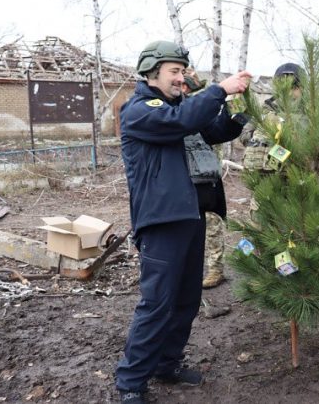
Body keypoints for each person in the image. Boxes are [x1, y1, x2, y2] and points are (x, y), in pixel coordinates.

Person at [115, 40, 251, 404]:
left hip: (191, 214)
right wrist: (219, 88)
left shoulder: (179, 110)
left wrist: (244, 114)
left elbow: (215, 129)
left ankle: (166, 363)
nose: (180, 78)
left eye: (182, 71)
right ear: (150, 73)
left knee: (186, 299)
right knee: (157, 301)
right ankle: (131, 382)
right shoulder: (141, 111)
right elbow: (185, 119)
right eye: (173, 72)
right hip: (161, 221)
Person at [180, 71, 228, 289]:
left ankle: (216, 268)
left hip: (207, 178)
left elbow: (218, 130)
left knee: (213, 226)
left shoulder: (199, 112)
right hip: (185, 182)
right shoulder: (170, 111)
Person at [239, 62, 304, 216]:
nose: (289, 90)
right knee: (259, 229)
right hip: (264, 187)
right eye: (283, 83)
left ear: (302, 88)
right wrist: (265, 141)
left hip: (296, 191)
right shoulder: (264, 110)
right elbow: (244, 135)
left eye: (294, 85)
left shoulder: (310, 115)